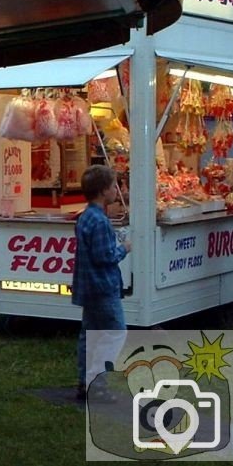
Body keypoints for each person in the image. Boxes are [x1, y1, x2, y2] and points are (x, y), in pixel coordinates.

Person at [72, 164, 131, 401]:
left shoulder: (85, 217)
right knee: (116, 333)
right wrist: (123, 248)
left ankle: (84, 381)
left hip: (88, 286)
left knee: (90, 334)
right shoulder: (101, 222)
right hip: (104, 287)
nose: (117, 190)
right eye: (113, 186)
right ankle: (97, 382)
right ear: (103, 191)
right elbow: (105, 256)